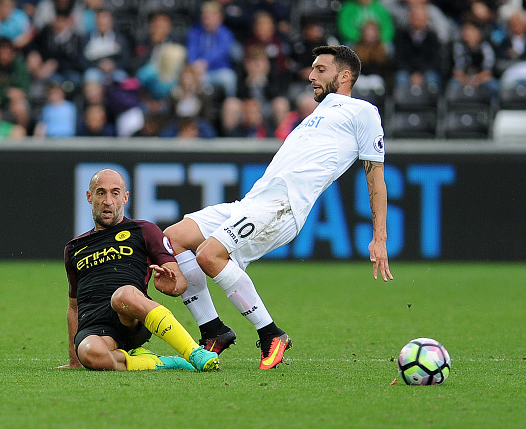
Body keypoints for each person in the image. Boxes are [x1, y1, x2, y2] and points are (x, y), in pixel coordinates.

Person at [164, 45, 393, 370]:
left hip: (284, 206)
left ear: (345, 76)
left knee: (208, 255)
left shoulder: (363, 112)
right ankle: (213, 330)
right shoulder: (320, 112)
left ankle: (271, 334)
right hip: (253, 201)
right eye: (312, 69)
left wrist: (379, 236)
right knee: (173, 238)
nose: (311, 75)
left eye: (320, 69)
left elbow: (376, 179)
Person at [58, 169, 220, 372]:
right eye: (101, 193)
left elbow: (179, 282)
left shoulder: (144, 230)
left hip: (129, 316)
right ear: (90, 197)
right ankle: (157, 362)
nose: (108, 201)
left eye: (115, 193)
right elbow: (73, 307)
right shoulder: (74, 248)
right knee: (91, 355)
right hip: (93, 326)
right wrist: (75, 360)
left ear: (125, 198)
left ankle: (193, 352)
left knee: (122, 295)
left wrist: (171, 285)